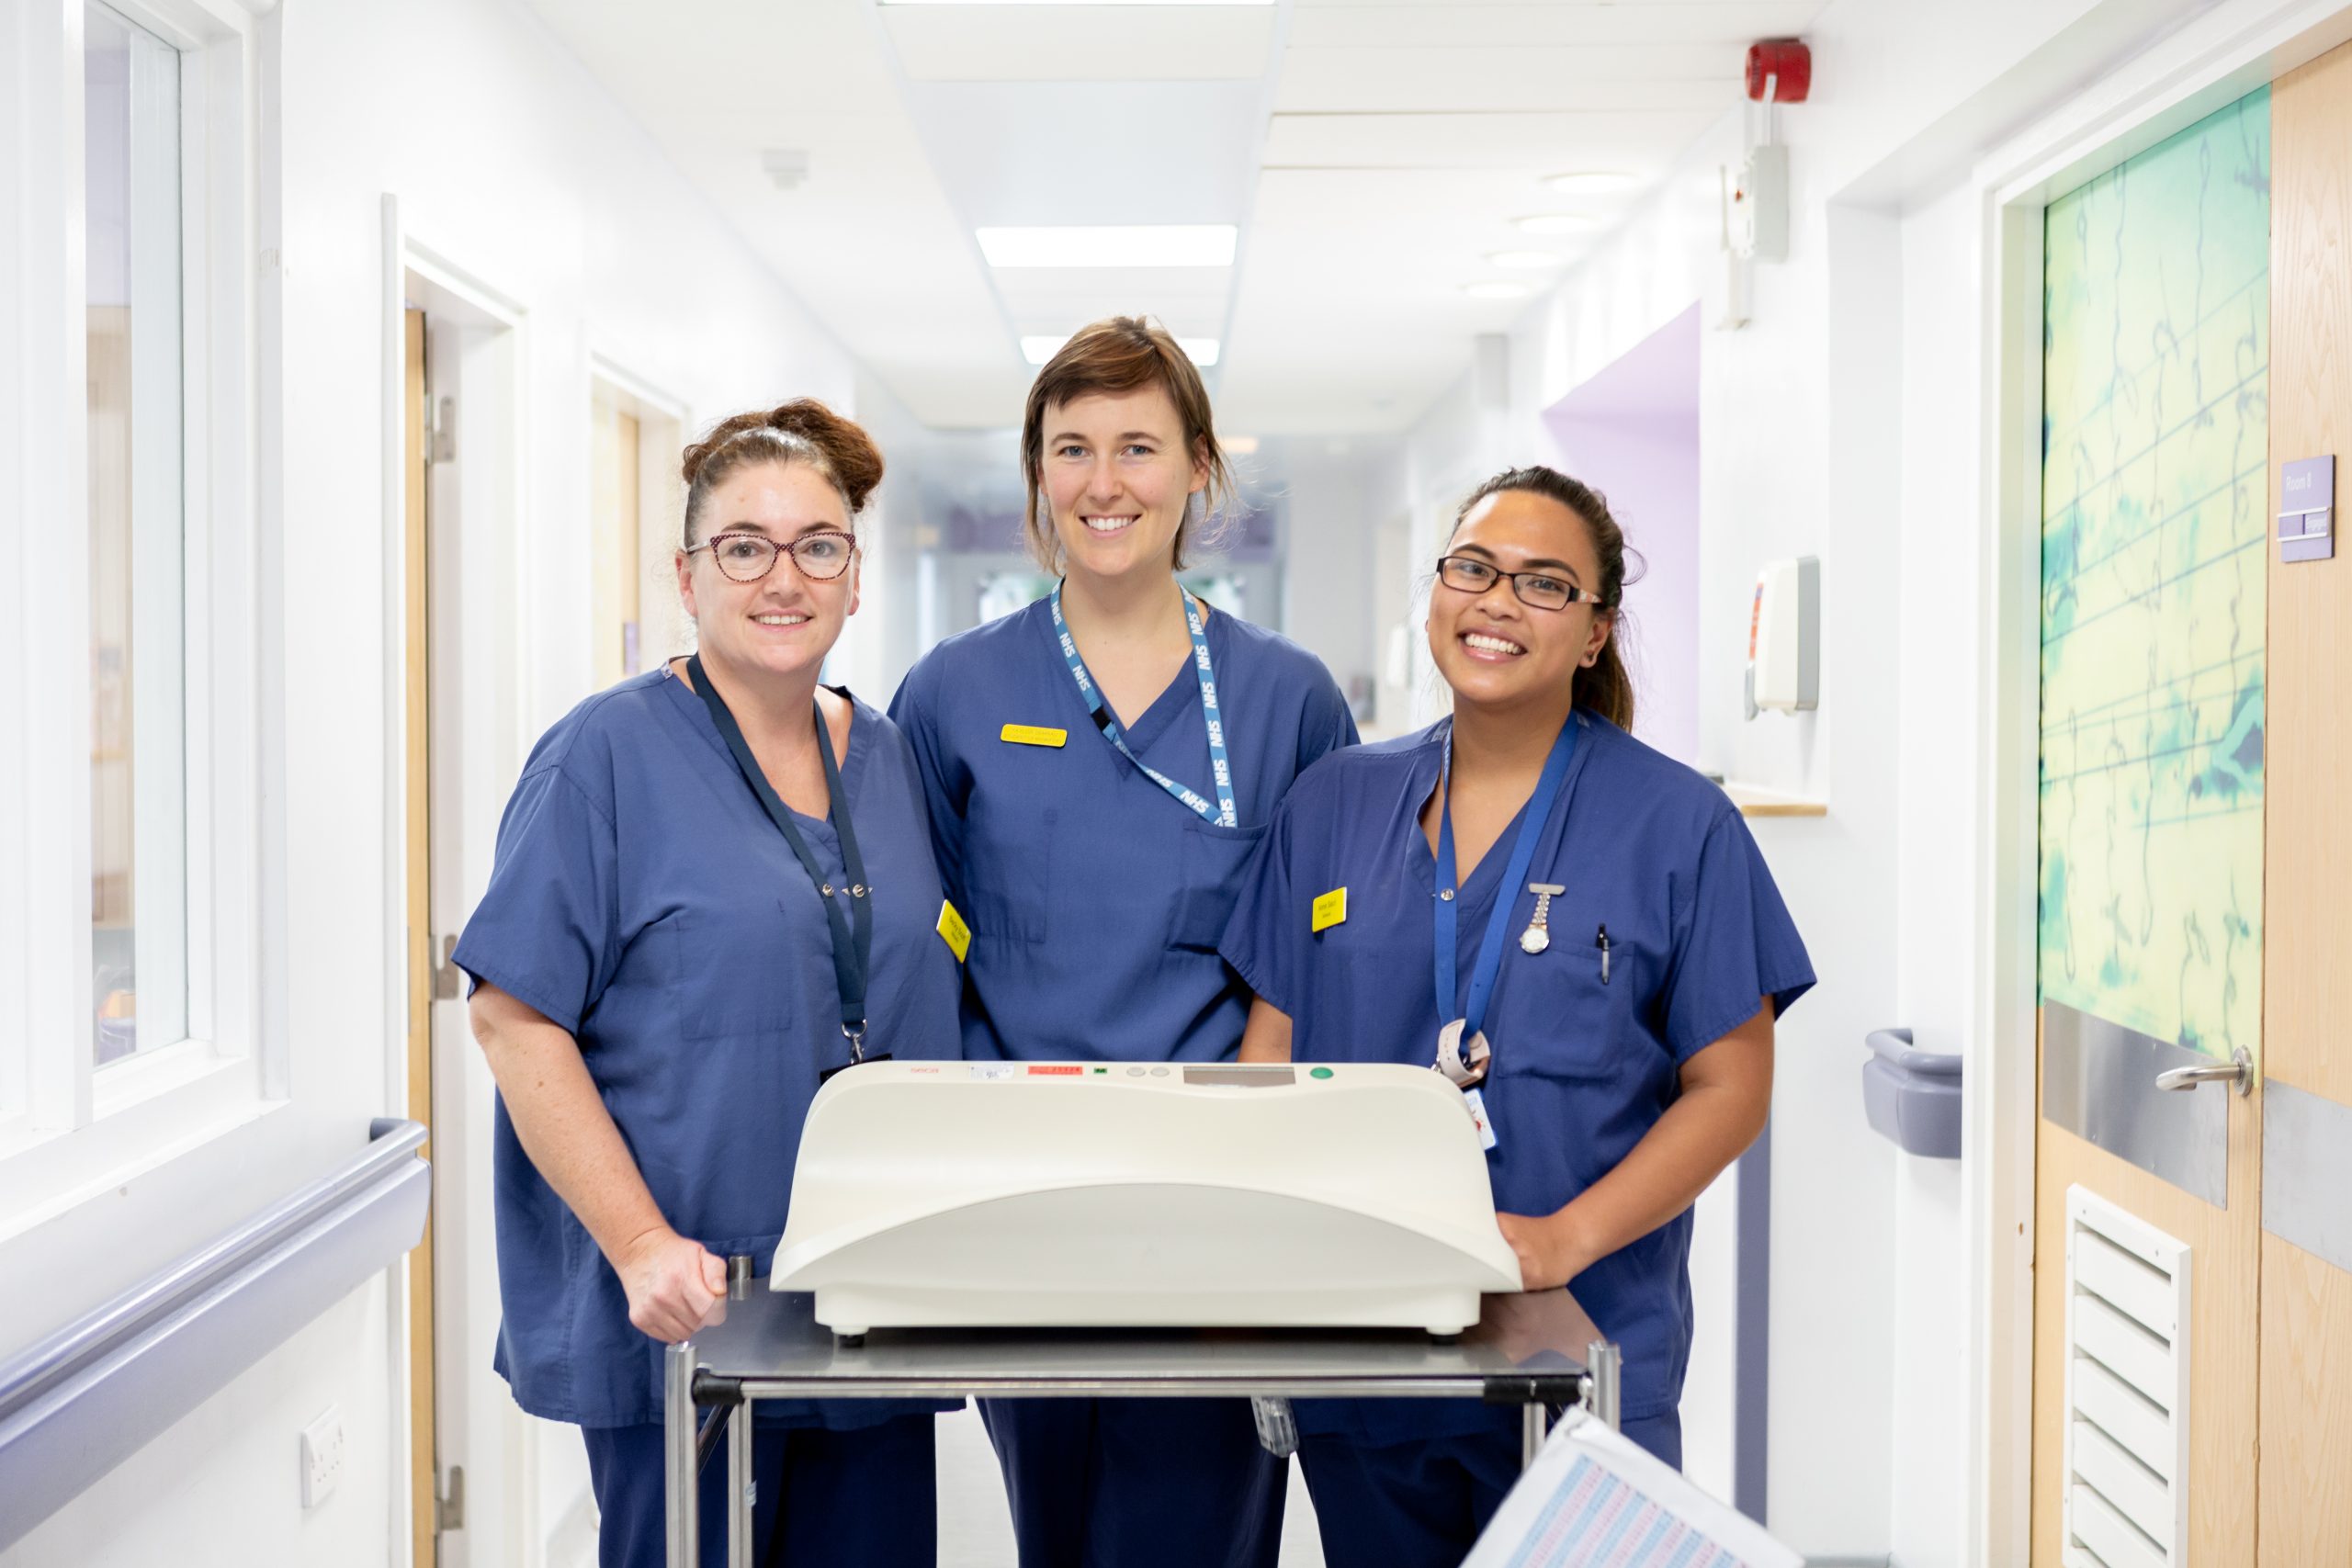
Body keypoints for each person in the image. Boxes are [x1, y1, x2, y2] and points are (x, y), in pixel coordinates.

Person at [1220, 465, 1814, 1568]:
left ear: (1595, 634)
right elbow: (1275, 1050)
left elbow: (1731, 1088)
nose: (1497, 601)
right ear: (1436, 592)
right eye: (1473, 569)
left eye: (1544, 585)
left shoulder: (1678, 824)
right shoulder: (1335, 802)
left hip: (1583, 1346)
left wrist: (1559, 1242)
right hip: (1370, 1344)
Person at [455, 400, 962, 1568]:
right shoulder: (604, 756)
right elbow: (513, 1016)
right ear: (689, 577)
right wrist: (638, 1244)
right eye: (744, 545)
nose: (782, 577)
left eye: (817, 545)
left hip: (869, 1304)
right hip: (690, 1311)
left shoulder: (888, 760)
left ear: (852, 576)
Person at [890, 316, 1358, 1568]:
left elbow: (1312, 951)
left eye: (1140, 446)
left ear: (1199, 467)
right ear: (1038, 471)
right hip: (1018, 1181)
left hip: (1216, 1183)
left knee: (1201, 1524)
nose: (1106, 482)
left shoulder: (1288, 694)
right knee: (1057, 1522)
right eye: (1073, 447)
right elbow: (915, 944)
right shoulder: (952, 692)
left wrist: (1252, 1161)